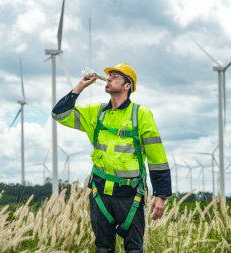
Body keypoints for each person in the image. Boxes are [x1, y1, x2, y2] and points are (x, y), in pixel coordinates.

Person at [52, 62, 172, 252]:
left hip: (131, 195)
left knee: (134, 249)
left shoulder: (141, 114)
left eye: (115, 76)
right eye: (109, 75)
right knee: (103, 249)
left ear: (127, 86)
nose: (108, 78)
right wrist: (80, 87)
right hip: (99, 194)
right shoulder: (95, 113)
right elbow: (59, 114)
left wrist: (161, 195)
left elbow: (157, 157)